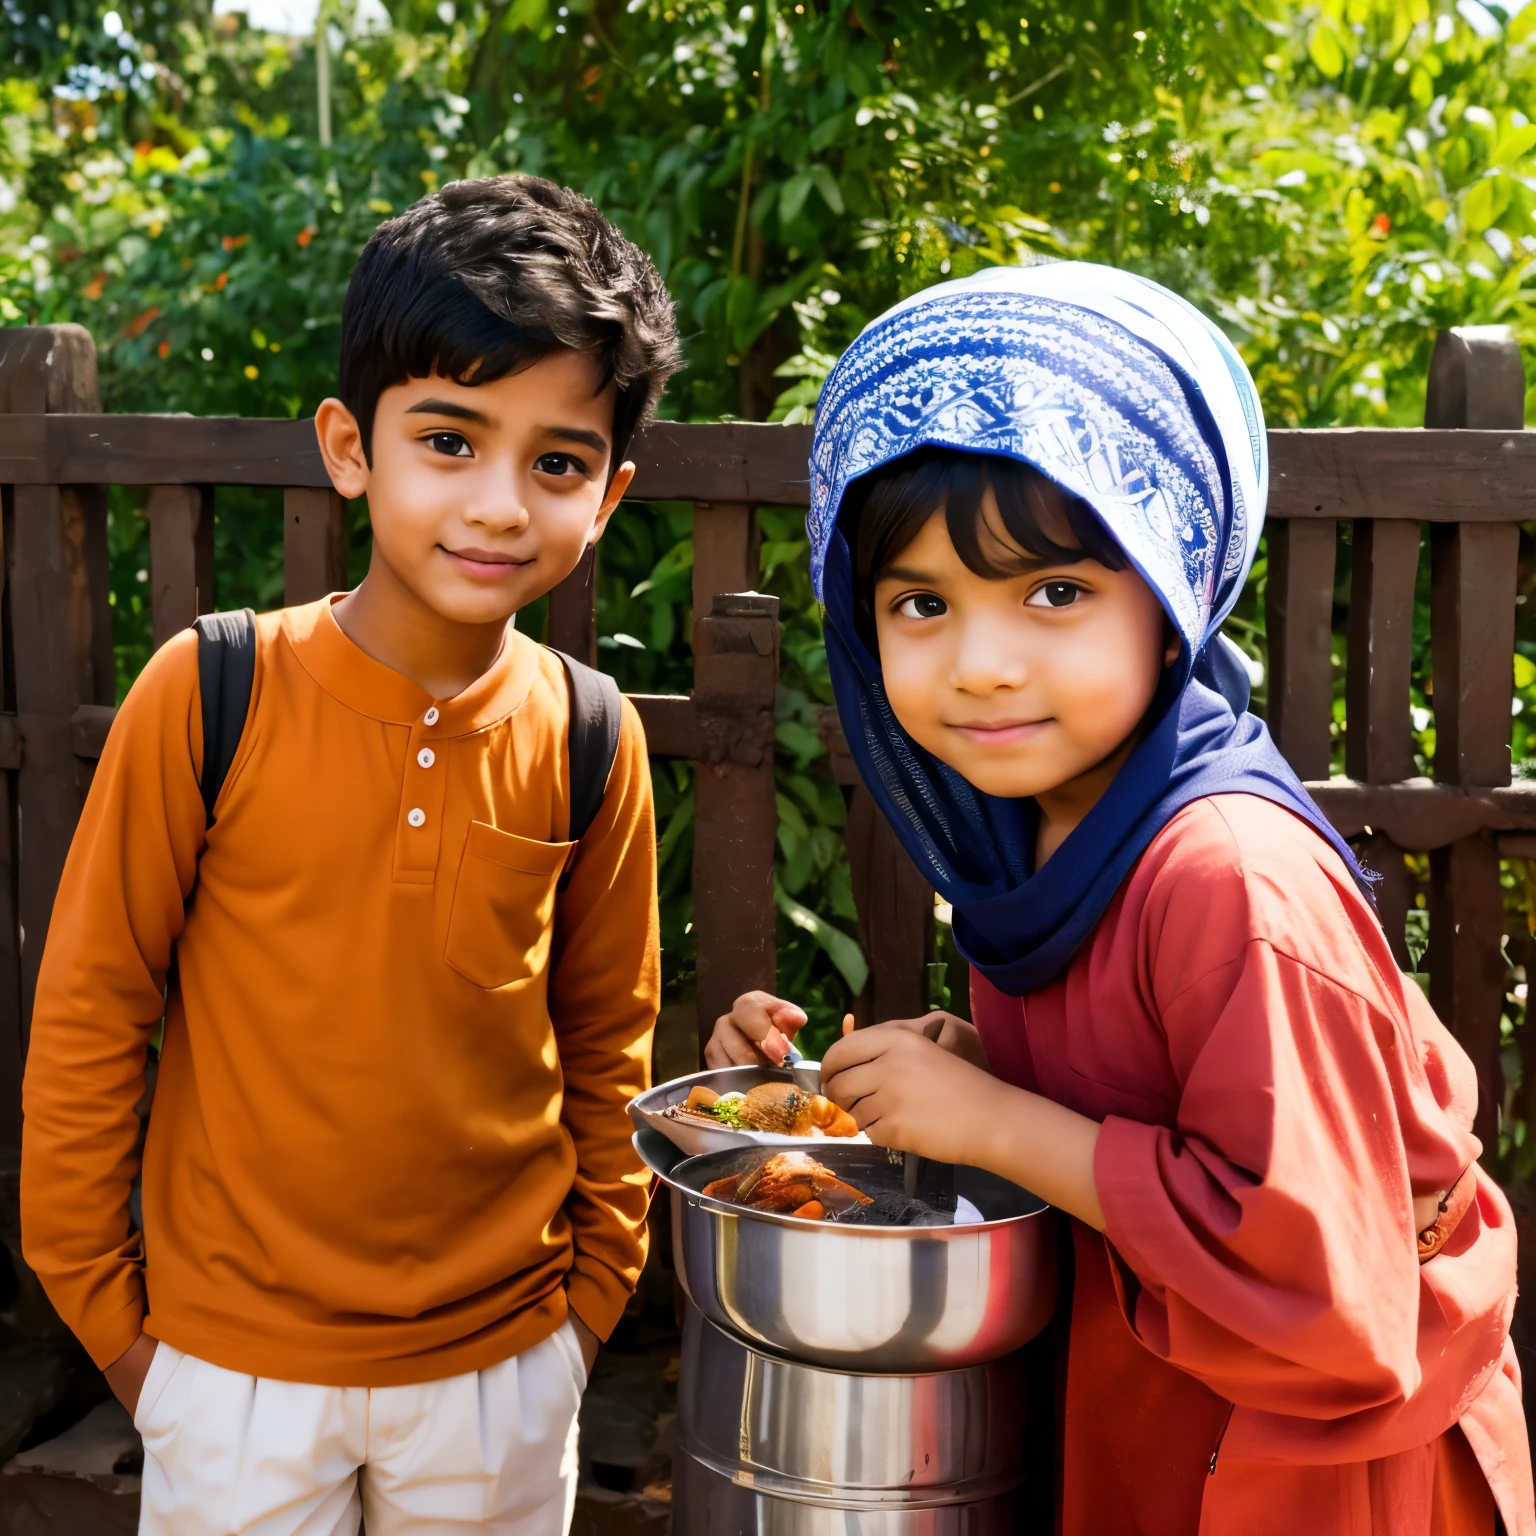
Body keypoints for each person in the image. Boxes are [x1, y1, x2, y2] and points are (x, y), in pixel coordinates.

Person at [708, 263, 1533, 1535]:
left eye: (1056, 593)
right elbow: (1153, 1096)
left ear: (1175, 590)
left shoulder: (1231, 882)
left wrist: (1002, 1126)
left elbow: (1329, 1297)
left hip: (1309, 1471)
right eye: (921, 604)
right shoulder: (1039, 836)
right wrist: (977, 1074)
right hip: (1160, 1416)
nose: (984, 665)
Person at [21, 173, 681, 1536]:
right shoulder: (210, 693)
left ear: (607, 494)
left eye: (555, 461)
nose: (500, 503)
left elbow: (611, 1036)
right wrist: (124, 1339)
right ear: (348, 445)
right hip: (229, 1378)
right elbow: (92, 1016)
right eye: (450, 439)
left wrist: (586, 1311)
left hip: (503, 1373)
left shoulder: (590, 735)